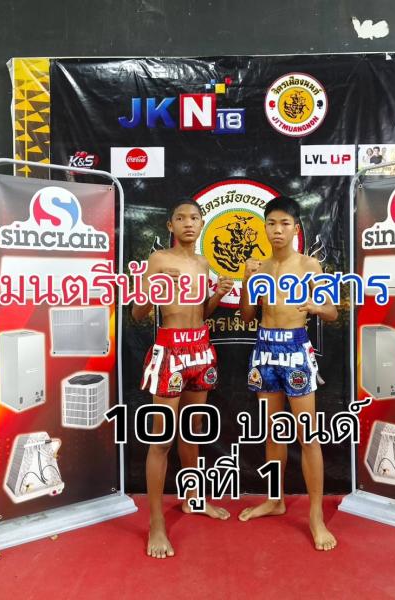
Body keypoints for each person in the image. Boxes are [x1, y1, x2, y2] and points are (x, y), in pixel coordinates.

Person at [132, 198, 234, 559]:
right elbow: (138, 313)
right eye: (181, 217)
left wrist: (217, 295)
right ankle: (157, 523)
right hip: (171, 350)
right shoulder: (159, 260)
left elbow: (201, 312)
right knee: (161, 439)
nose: (188, 223)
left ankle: (193, 498)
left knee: (193, 431)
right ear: (170, 226)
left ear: (202, 224)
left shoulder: (203, 263)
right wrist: (154, 288)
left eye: (194, 217)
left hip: (201, 349)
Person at [237, 196, 339, 551]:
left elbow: (332, 313)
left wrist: (316, 306)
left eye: (284, 224)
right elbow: (247, 317)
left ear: (295, 228)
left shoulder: (310, 265)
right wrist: (247, 282)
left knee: (307, 435)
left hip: (295, 349)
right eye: (271, 223)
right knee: (273, 432)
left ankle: (316, 516)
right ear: (264, 228)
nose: (277, 230)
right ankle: (274, 500)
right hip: (264, 348)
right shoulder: (259, 267)